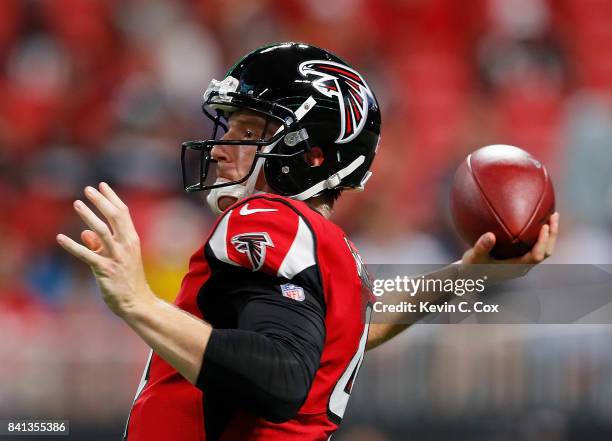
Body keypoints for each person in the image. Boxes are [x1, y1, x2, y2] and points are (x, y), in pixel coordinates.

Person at [56, 43, 559, 441]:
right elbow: (354, 328)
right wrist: (467, 276)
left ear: (312, 156)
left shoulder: (268, 217)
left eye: (249, 129)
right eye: (228, 126)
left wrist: (138, 303)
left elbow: (281, 378)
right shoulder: (330, 246)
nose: (223, 148)